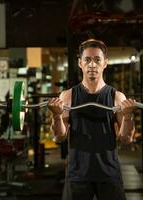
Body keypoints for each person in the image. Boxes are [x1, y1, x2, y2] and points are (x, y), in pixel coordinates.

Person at [48, 38, 136, 200]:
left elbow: (126, 139)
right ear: (80, 63)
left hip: (109, 173)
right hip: (78, 174)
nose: (92, 65)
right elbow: (59, 137)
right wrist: (56, 115)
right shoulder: (68, 96)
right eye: (87, 60)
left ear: (105, 63)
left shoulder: (117, 97)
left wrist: (128, 116)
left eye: (97, 60)